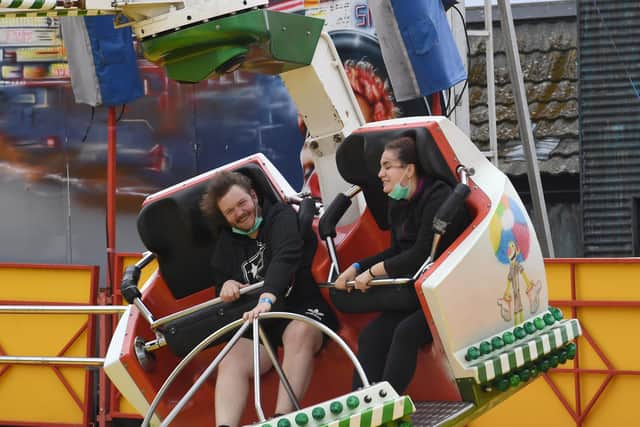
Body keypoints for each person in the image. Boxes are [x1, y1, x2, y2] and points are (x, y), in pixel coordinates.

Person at [200, 170, 338, 427]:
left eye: (242, 203)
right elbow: (220, 282)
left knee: (299, 333)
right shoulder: (226, 245)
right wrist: (227, 286)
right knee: (230, 358)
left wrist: (267, 298)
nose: (239, 213)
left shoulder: (280, 217)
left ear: (253, 196)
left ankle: (282, 419)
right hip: (261, 321)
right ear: (224, 218)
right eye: (230, 211)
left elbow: (285, 256)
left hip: (299, 306)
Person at [334, 135, 470, 393]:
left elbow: (421, 254)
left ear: (408, 169)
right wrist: (357, 267)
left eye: (387, 166)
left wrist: (372, 273)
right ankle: (362, 403)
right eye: (380, 167)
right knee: (371, 336)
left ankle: (387, 401)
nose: (380, 174)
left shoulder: (438, 197)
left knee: (406, 332)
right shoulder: (397, 202)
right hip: (415, 289)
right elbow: (397, 251)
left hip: (447, 290)